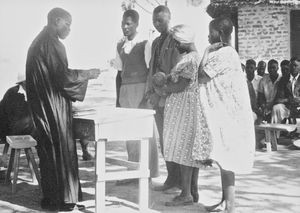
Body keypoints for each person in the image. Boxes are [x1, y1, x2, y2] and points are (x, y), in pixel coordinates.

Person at [26, 8, 100, 211]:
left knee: (49, 150)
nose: (69, 29)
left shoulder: (38, 42)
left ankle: (52, 198)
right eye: (67, 24)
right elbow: (64, 78)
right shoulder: (52, 44)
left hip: (42, 107)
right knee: (60, 149)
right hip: (53, 107)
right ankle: (64, 200)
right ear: (56, 21)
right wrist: (88, 74)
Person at [195, 17, 255, 213]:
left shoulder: (224, 54)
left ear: (219, 33)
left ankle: (230, 206)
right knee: (222, 158)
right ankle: (224, 201)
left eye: (210, 32)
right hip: (224, 112)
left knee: (227, 160)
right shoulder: (227, 53)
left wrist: (205, 51)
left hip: (228, 114)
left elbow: (201, 76)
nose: (208, 35)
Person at [155, 24, 202, 206]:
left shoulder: (191, 59)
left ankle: (186, 194)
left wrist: (163, 89)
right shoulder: (188, 58)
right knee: (187, 151)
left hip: (184, 106)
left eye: (176, 42)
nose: (174, 46)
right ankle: (191, 190)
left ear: (183, 40)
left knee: (184, 150)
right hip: (182, 106)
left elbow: (181, 85)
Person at [111, 9, 158, 184]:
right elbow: (119, 73)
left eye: (129, 23)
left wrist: (147, 95)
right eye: (123, 23)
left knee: (145, 133)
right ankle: (132, 173)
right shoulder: (120, 45)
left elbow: (150, 71)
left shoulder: (145, 43)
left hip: (142, 91)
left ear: (137, 24)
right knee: (129, 133)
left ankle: (148, 175)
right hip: (125, 92)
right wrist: (118, 99)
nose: (125, 26)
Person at [146, 5, 181, 192]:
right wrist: (151, 92)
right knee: (164, 140)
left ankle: (181, 181)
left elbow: (178, 69)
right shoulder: (155, 43)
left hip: (172, 96)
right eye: (154, 21)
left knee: (175, 139)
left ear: (169, 18)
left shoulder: (177, 41)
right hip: (157, 97)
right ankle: (171, 178)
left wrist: (165, 87)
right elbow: (151, 68)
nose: (157, 24)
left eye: (160, 20)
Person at [0, 73, 35, 166]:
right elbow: (5, 113)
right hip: (12, 127)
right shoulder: (11, 93)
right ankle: (3, 160)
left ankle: (46, 163)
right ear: (23, 82)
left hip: (28, 126)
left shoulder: (35, 92)